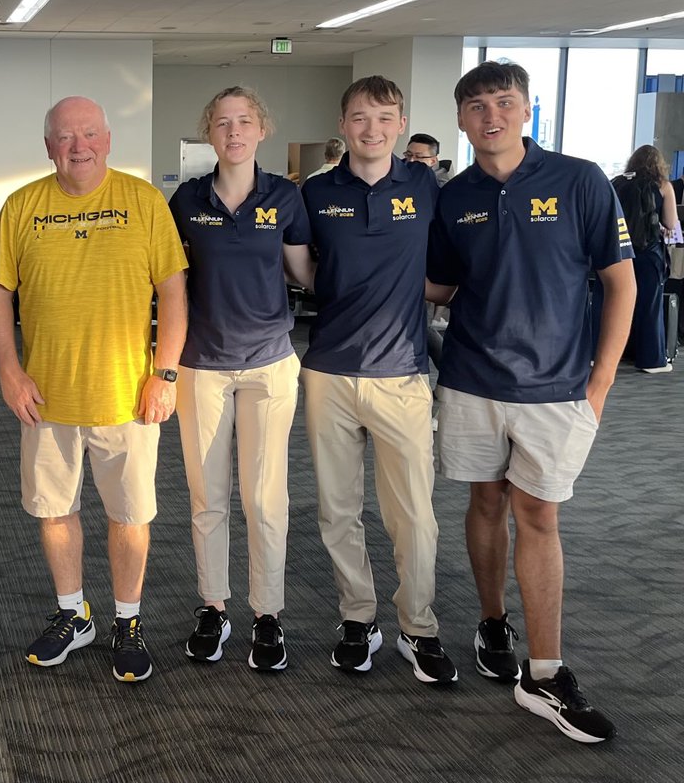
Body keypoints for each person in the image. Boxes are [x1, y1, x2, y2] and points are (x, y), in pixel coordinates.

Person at [428, 61, 635, 744]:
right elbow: (444, 288)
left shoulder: (579, 180)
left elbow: (620, 282)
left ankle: (544, 671)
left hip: (555, 387)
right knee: (484, 501)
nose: (493, 116)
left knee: (538, 513)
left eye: (505, 102)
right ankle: (493, 621)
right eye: (479, 105)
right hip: (471, 379)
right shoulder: (452, 198)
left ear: (525, 112)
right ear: (461, 119)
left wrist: (601, 380)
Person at [0, 96, 188, 683]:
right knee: (55, 511)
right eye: (66, 137)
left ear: (107, 140)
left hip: (128, 396)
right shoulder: (23, 207)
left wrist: (166, 372)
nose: (79, 146)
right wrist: (9, 369)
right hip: (46, 398)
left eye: (89, 135)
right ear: (48, 146)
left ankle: (127, 618)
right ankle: (74, 614)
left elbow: (173, 291)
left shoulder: (142, 202)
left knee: (129, 514)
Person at [300, 76, 455, 684]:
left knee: (413, 513)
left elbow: (449, 265)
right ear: (344, 125)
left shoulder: (426, 187)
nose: (372, 129)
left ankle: (418, 626)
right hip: (329, 372)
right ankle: (357, 618)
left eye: (385, 117)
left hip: (402, 374)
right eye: (360, 117)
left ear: (400, 123)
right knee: (338, 509)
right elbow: (302, 264)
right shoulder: (315, 193)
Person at [167, 86, 312, 670]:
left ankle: (267, 613)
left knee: (263, 496)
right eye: (223, 122)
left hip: (269, 364)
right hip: (201, 365)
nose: (233, 131)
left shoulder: (285, 197)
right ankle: (213, 606)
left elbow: (304, 271)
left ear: (261, 129)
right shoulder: (186, 200)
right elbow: (167, 281)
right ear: (210, 132)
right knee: (208, 496)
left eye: (244, 121)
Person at [598, 145, 678, 373]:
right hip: (648, 251)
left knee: (610, 302)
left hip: (616, 252)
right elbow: (671, 223)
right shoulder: (662, 185)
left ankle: (603, 355)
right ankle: (651, 360)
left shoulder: (616, 182)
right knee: (649, 304)